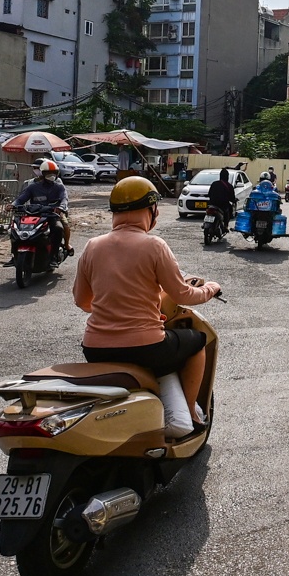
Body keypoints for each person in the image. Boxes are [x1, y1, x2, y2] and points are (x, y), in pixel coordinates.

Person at [73, 176, 221, 429]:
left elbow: (83, 300)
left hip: (94, 349)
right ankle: (191, 412)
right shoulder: (154, 245)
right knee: (197, 342)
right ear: (150, 209)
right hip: (146, 349)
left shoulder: (92, 246)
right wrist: (210, 288)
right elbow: (183, 294)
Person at [13, 158, 70, 256]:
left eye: (54, 173)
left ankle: (54, 255)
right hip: (35, 214)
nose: (51, 175)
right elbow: (21, 199)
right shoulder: (32, 187)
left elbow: (64, 198)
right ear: (42, 173)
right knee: (15, 228)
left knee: (59, 228)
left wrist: (61, 207)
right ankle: (14, 254)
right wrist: (13, 205)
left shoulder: (59, 187)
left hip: (53, 214)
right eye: (48, 173)